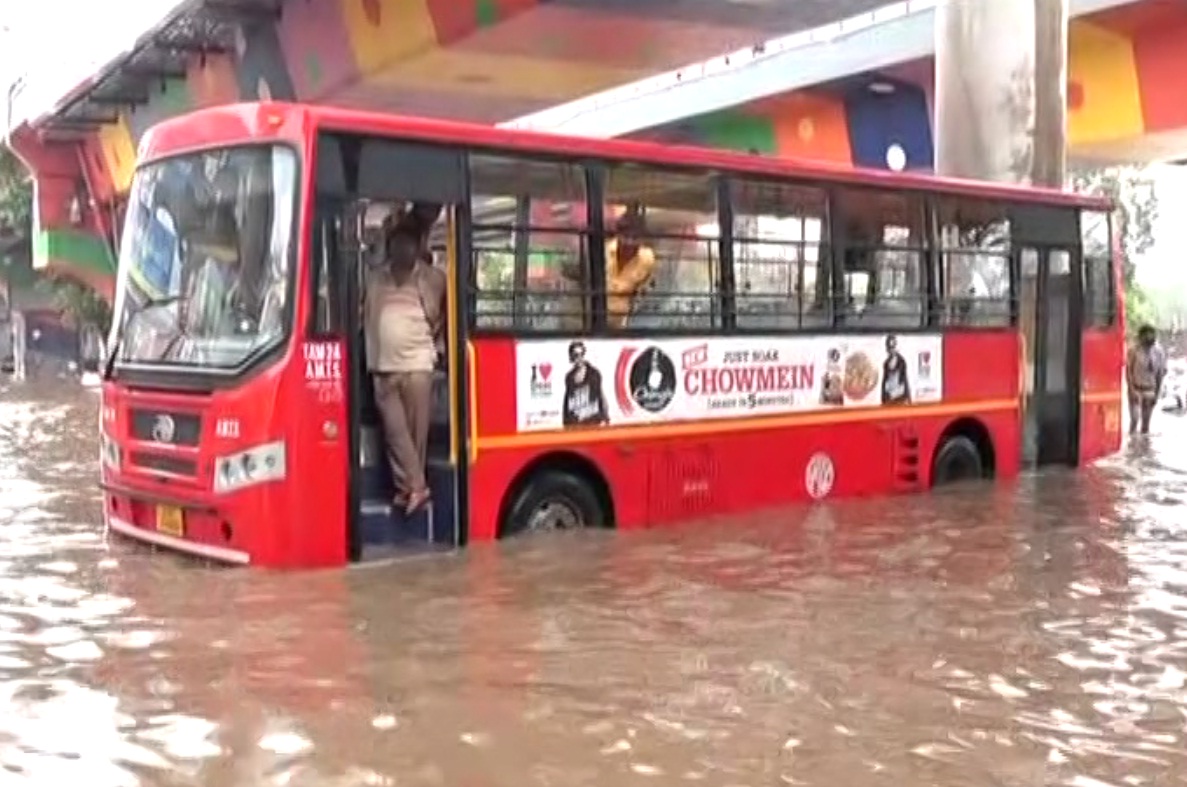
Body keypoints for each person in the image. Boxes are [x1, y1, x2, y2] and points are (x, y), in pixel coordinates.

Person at [364, 227, 446, 514]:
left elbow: (444, 312)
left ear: (417, 247)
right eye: (398, 245)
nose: (403, 251)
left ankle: (408, 489)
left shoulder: (431, 279)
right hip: (384, 366)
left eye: (408, 245)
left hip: (417, 365)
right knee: (395, 433)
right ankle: (417, 487)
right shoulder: (376, 280)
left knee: (415, 434)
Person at [605, 206, 656, 329]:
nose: (630, 243)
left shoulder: (647, 258)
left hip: (621, 324)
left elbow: (644, 289)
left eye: (635, 238)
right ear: (618, 235)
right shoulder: (601, 251)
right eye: (626, 237)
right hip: (591, 321)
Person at [1126, 324, 1166, 435]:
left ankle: (1143, 448)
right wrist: (1131, 390)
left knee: (1146, 426)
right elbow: (1128, 371)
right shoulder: (1133, 350)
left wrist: (1157, 395)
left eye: (1152, 334)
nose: (1149, 337)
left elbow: (1160, 375)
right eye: (1146, 334)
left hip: (1150, 390)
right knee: (1134, 419)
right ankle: (1133, 445)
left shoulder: (1159, 352)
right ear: (1141, 336)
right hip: (1136, 389)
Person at [561, 340, 609, 427]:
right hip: (576, 425)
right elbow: (567, 401)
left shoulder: (594, 373)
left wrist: (605, 418)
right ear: (571, 357)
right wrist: (566, 422)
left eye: (581, 354)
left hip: (593, 423)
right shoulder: (569, 377)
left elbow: (601, 396)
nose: (579, 358)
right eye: (576, 355)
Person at [881, 334, 911, 405]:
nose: (891, 349)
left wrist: (908, 398)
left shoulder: (901, 361)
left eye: (893, 346)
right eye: (889, 346)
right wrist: (883, 397)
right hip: (888, 398)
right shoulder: (886, 363)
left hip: (900, 397)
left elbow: (905, 380)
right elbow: (884, 381)